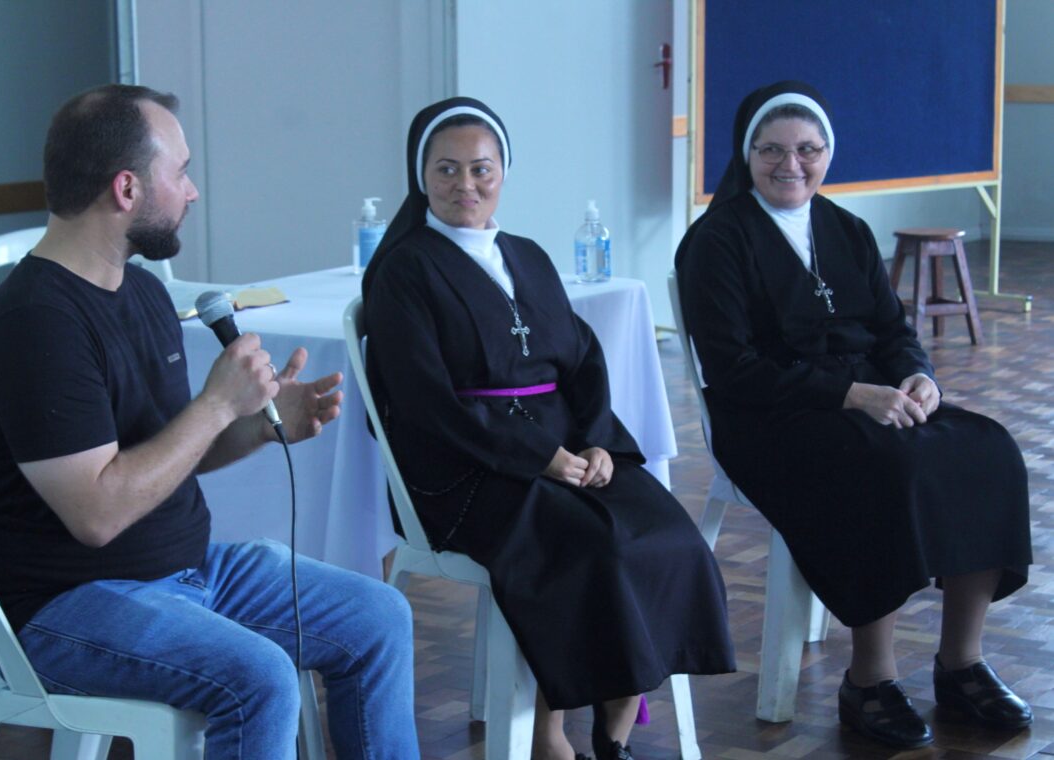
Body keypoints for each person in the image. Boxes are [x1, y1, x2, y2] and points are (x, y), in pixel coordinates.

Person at [0, 84, 420, 759]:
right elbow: (97, 511)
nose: (193, 190)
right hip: (65, 606)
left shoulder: (142, 293)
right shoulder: (36, 323)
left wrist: (260, 425)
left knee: (378, 616)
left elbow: (165, 456)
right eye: (179, 171)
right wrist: (215, 404)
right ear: (126, 189)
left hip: (185, 572)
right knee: (259, 677)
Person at [361, 96, 735, 760]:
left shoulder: (528, 256)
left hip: (564, 442)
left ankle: (615, 728)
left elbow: (583, 359)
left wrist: (593, 443)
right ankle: (548, 734)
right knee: (592, 548)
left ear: (504, 171)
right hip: (462, 468)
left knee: (666, 532)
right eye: (446, 170)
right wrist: (542, 458)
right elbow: (426, 403)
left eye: (481, 168)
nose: (465, 186)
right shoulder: (403, 271)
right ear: (421, 177)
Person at [675, 80, 1032, 750]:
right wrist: (851, 396)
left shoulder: (845, 229)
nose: (792, 165)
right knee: (883, 467)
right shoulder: (717, 242)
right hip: (767, 418)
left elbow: (893, 331)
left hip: (873, 400)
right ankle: (869, 679)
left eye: (809, 150)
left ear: (828, 155)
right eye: (773, 150)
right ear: (745, 153)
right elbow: (735, 370)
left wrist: (916, 375)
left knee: (989, 450)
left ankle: (961, 664)